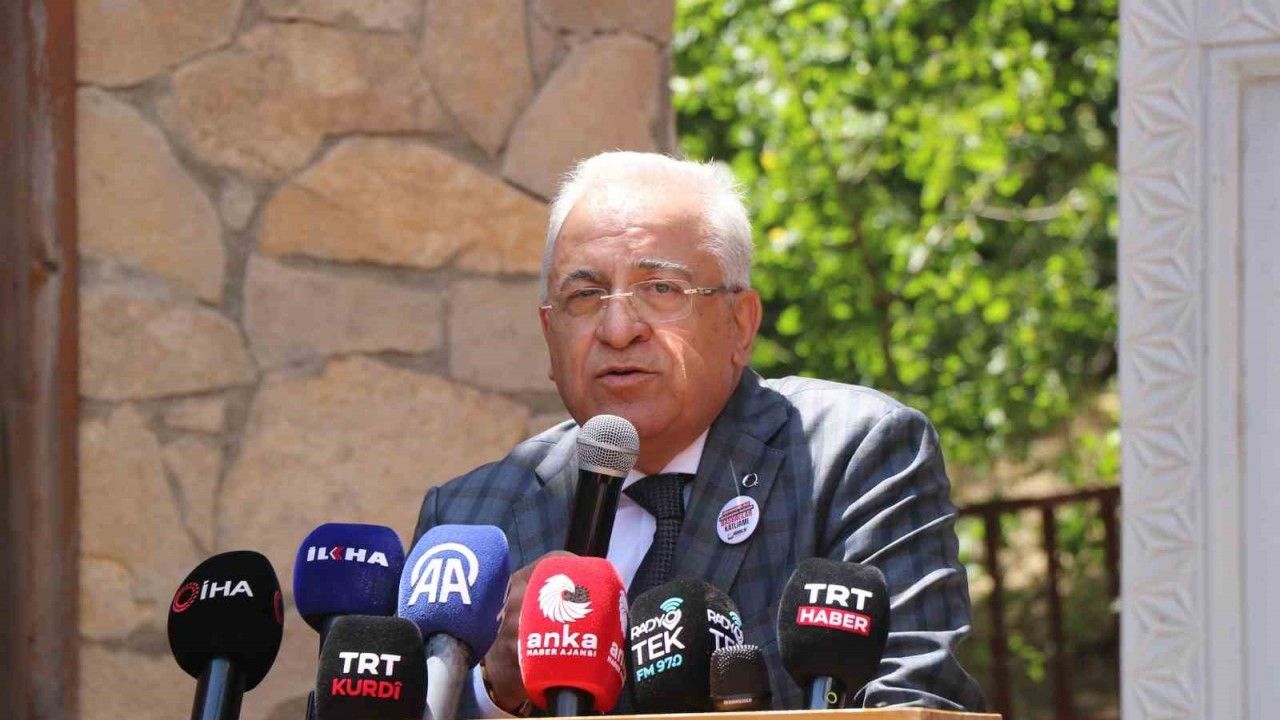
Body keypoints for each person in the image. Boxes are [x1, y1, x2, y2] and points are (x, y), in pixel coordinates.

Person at [412, 151, 984, 716]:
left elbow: (914, 700)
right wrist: (493, 690)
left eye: (661, 289)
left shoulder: (852, 454)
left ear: (741, 323)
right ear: (549, 334)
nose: (618, 329)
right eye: (584, 297)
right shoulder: (469, 522)